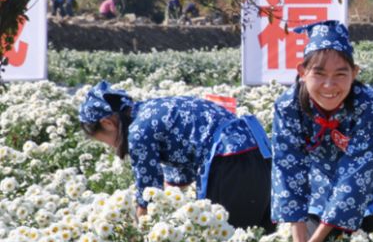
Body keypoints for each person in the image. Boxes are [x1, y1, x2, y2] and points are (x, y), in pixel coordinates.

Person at [271, 20, 373, 242]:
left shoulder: (367, 106)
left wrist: (315, 241)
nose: (329, 85)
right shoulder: (288, 107)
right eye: (319, 74)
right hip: (321, 170)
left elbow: (356, 176)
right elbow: (287, 171)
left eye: (340, 74)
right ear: (302, 72)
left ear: (354, 73)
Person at [79, 81, 273, 230]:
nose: (112, 147)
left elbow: (148, 191)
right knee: (255, 238)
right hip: (257, 153)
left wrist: (141, 231)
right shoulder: (151, 110)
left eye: (106, 141)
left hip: (230, 161)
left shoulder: (137, 131)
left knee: (226, 237)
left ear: (108, 123)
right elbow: (178, 172)